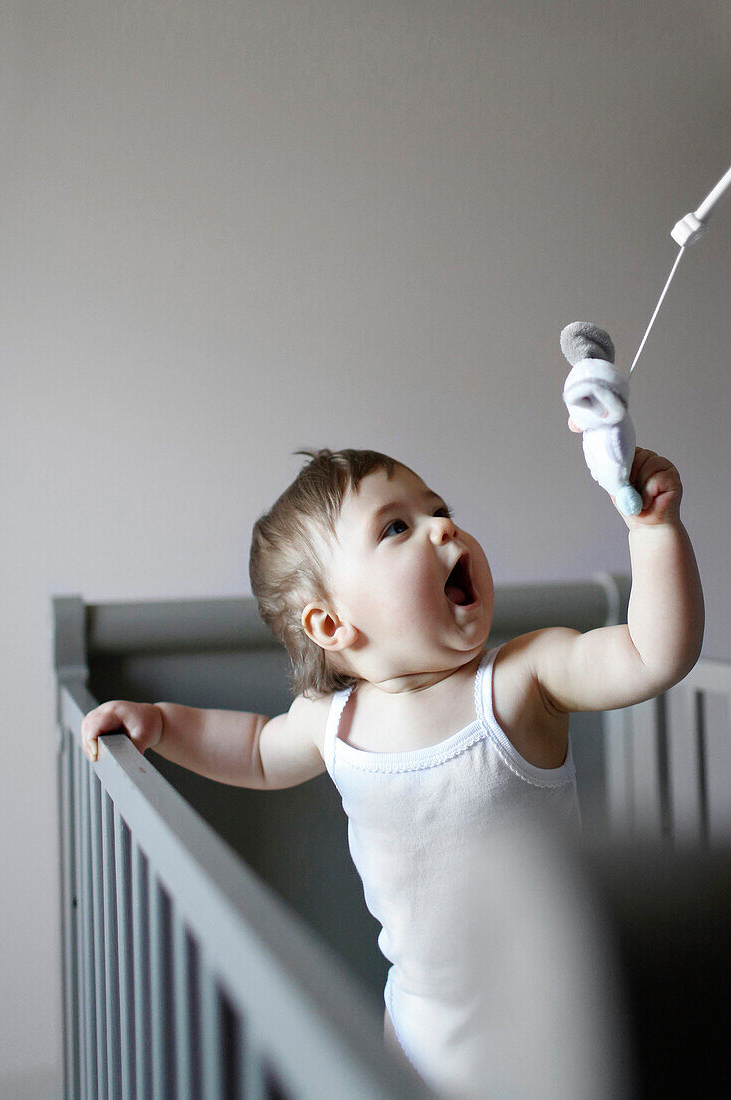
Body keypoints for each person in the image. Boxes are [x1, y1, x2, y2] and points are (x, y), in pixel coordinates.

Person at [81, 445, 704, 1096]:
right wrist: (162, 723)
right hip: (416, 1025)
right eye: (395, 527)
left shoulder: (522, 677)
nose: (443, 527)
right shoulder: (334, 719)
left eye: (439, 510)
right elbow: (258, 749)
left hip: (554, 1016)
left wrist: (654, 532)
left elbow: (650, 653)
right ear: (330, 623)